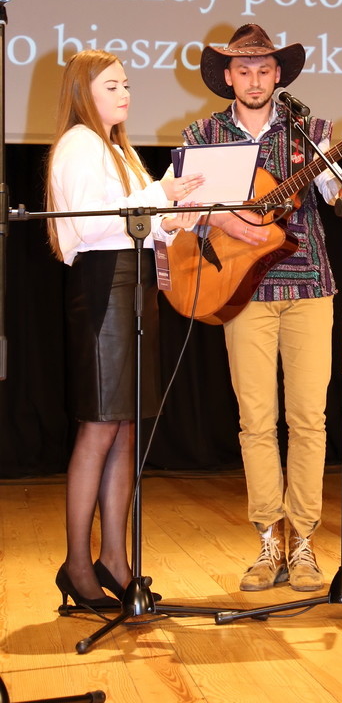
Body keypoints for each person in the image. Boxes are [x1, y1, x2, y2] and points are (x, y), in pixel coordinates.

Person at [181, 24, 342, 592]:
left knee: (309, 419)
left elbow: (340, 199)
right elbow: (182, 209)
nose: (254, 80)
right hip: (240, 290)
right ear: (227, 76)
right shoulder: (204, 134)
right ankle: (269, 540)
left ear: (278, 76)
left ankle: (305, 543)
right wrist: (226, 219)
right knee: (256, 420)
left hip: (310, 287)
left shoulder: (311, 132)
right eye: (243, 70)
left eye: (264, 70)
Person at [46, 49, 204, 610]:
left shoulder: (120, 149)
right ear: (83, 92)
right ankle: (76, 563)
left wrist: (173, 218)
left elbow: (138, 222)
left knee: (126, 428)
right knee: (99, 427)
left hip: (134, 285)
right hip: (102, 289)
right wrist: (160, 196)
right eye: (111, 85)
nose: (124, 94)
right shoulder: (79, 144)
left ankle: (114, 557)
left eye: (127, 84)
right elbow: (89, 226)